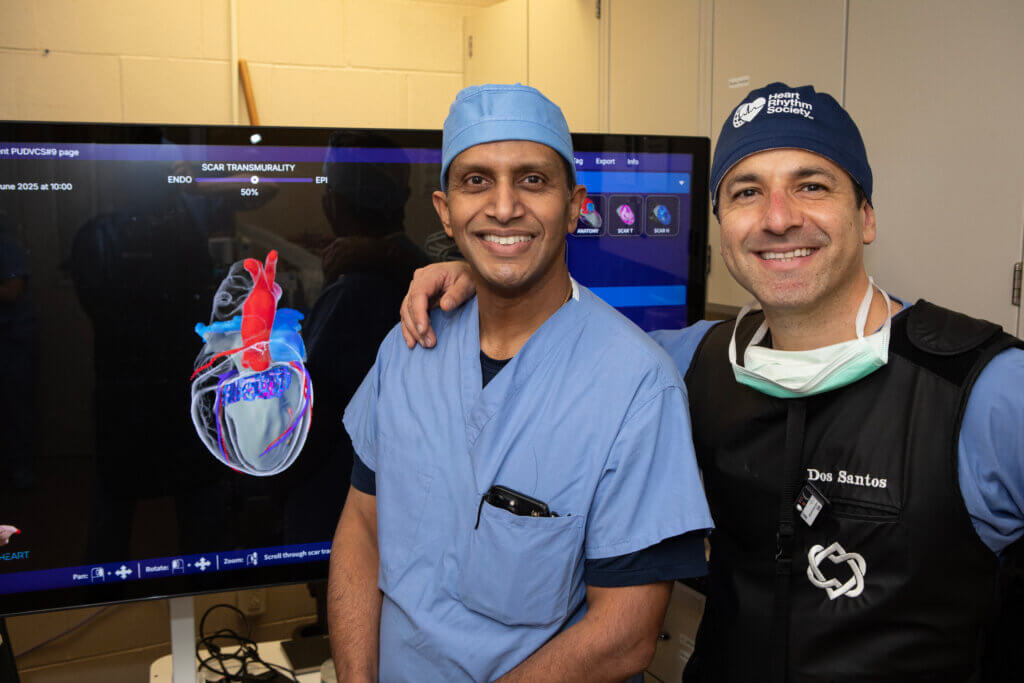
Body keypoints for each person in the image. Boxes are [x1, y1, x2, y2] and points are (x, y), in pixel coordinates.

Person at [398, 82, 1024, 682]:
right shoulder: (690, 361)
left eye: (811, 185)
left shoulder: (985, 389)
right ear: (722, 225)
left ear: (866, 216)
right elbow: (560, 342)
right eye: (748, 192)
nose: (778, 219)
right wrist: (483, 268)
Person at [326, 84, 712, 682]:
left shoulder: (636, 388)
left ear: (576, 205)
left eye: (532, 180)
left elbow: (625, 637)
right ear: (444, 211)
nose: (503, 207)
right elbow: (360, 527)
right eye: (476, 181)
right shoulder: (408, 346)